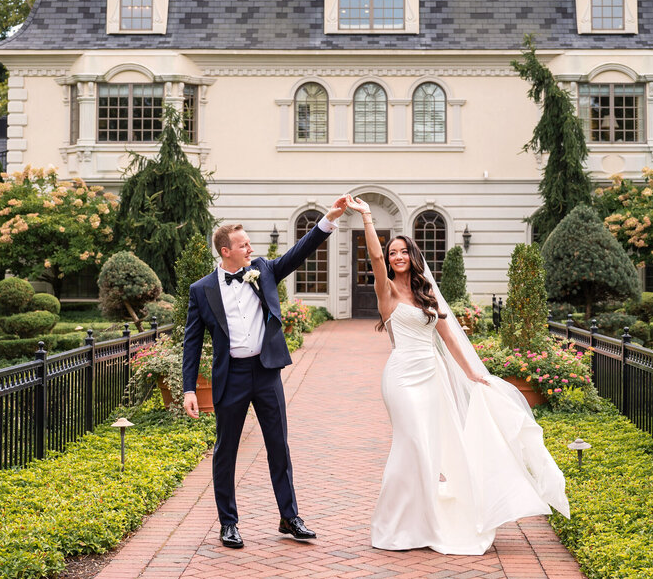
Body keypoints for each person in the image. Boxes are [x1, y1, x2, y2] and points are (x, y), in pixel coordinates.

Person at [345, 195, 570, 555]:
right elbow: (372, 256)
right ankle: (398, 524)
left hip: (432, 376)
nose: (397, 257)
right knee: (413, 444)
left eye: (403, 252)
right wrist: (368, 218)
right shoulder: (385, 291)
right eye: (393, 254)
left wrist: (472, 374)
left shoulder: (426, 292)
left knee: (433, 447)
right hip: (402, 376)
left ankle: (429, 520)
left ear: (413, 256)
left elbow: (449, 338)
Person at [182, 196, 348, 549]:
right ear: (226, 251)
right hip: (231, 377)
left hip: (266, 371)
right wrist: (188, 389)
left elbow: (297, 253)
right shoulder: (202, 290)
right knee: (225, 451)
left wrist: (328, 220)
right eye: (243, 245)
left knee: (278, 447)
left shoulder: (263, 269)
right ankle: (229, 524)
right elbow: (192, 343)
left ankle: (289, 518)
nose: (250, 248)